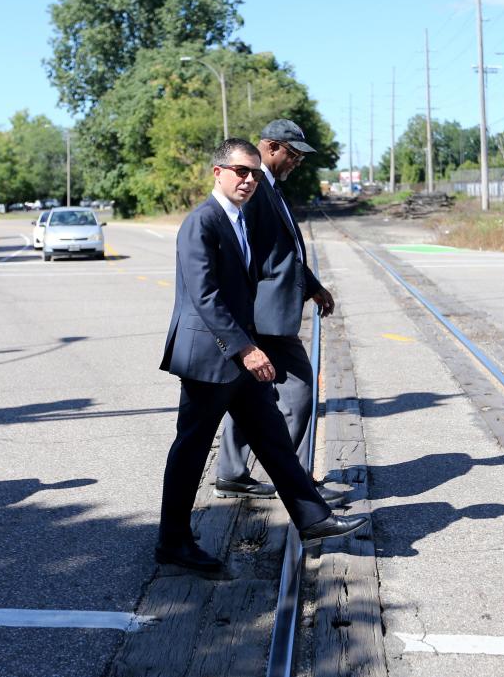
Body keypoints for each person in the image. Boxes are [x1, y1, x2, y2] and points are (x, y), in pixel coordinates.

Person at [156, 138, 367, 571]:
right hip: (208, 359)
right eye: (240, 172)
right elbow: (205, 296)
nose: (249, 180)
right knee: (191, 450)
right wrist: (246, 349)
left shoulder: (240, 221)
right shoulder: (202, 222)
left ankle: (312, 519)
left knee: (272, 438)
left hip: (238, 358)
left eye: (253, 173)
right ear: (219, 173)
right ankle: (172, 541)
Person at [214, 120, 342, 505]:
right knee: (300, 393)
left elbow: (284, 253)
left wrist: (314, 287)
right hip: (264, 313)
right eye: (294, 153)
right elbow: (243, 254)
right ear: (271, 147)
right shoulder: (254, 191)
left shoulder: (271, 189)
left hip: (268, 311)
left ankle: (233, 473)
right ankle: (294, 483)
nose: (298, 162)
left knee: (248, 397)